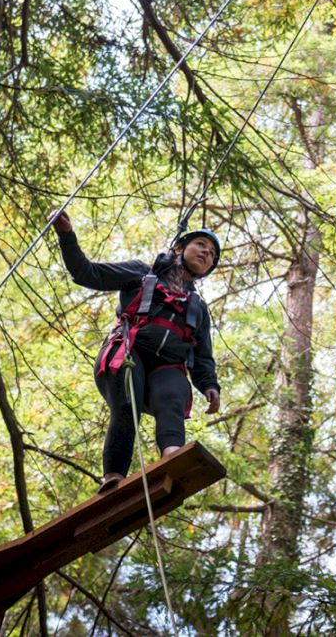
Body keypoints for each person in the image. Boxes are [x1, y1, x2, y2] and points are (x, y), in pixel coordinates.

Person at [49, 209, 222, 491]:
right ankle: (114, 475)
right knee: (127, 404)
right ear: (179, 248)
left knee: (173, 393)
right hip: (129, 353)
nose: (207, 253)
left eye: (212, 253)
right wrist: (66, 235)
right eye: (201, 244)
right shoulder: (143, 274)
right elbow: (86, 273)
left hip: (167, 367)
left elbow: (202, 357)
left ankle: (172, 456)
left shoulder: (197, 308)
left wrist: (209, 386)